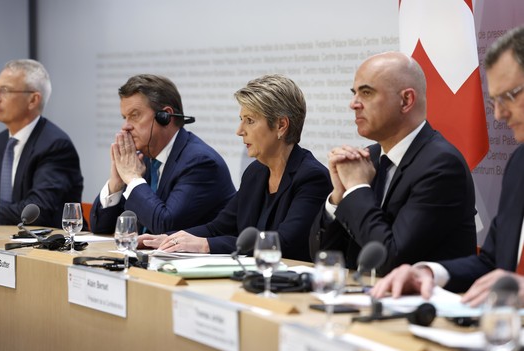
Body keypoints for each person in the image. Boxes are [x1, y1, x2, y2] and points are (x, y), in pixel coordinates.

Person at [371, 25, 524, 307]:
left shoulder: (439, 161)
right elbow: (492, 263)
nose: (500, 114)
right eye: (494, 102)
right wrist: (428, 272)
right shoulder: (519, 165)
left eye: (510, 96)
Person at [309, 52, 477, 275]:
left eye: (366, 93)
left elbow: (390, 259)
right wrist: (339, 198)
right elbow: (321, 255)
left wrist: (358, 189)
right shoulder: (369, 157)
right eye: (354, 93)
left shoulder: (441, 166)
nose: (353, 104)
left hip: (421, 305)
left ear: (406, 100)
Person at [144, 74, 332, 262]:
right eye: (241, 119)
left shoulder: (312, 178)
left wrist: (206, 245)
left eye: (249, 120)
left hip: (290, 286)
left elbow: (283, 243)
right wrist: (170, 239)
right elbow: (219, 227)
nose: (239, 130)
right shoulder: (255, 173)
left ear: (281, 125)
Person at [89, 74, 235, 235]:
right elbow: (100, 227)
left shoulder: (199, 162)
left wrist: (132, 178)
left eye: (135, 115)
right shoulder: (142, 159)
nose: (125, 127)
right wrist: (116, 184)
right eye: (125, 117)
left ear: (164, 117)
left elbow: (165, 225)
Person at [0, 59, 83, 228]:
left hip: (46, 248)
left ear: (33, 100)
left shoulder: (55, 146)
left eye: (4, 91)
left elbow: (38, 211)